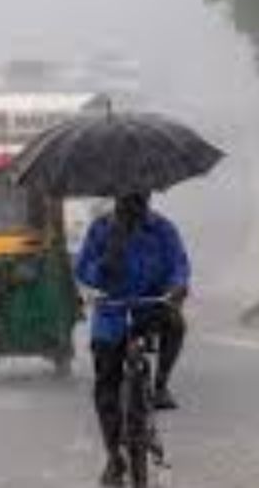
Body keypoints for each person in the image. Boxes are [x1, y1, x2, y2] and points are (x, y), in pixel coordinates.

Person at [75, 192, 189, 487]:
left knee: (176, 325)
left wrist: (177, 287)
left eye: (140, 197)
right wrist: (103, 266)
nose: (134, 204)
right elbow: (82, 269)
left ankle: (161, 384)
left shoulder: (163, 229)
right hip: (111, 314)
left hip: (151, 307)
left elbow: (179, 264)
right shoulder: (100, 230)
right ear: (117, 199)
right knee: (106, 389)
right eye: (127, 199)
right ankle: (114, 457)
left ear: (148, 197)